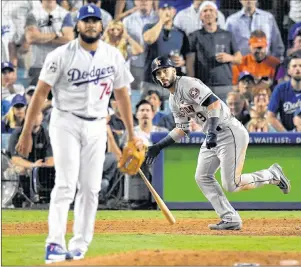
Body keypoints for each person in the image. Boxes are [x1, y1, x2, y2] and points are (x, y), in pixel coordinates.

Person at [15, 4, 142, 264]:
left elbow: (123, 95)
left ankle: (80, 245)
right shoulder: (61, 55)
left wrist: (131, 134)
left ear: (102, 26)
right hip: (66, 122)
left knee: (91, 188)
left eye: (95, 21)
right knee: (65, 184)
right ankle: (54, 245)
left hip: (97, 124)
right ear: (78, 25)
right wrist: (26, 133)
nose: (91, 25)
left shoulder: (113, 55)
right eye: (86, 21)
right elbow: (40, 94)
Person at [146, 56, 291, 231]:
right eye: (158, 73)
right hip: (212, 134)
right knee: (202, 177)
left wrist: (212, 131)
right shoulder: (172, 99)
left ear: (174, 71)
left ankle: (271, 175)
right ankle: (230, 218)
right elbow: (182, 129)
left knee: (232, 184)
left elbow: (213, 103)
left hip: (228, 131)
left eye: (165, 70)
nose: (162, 75)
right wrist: (158, 146)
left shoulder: (187, 84)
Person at [186, 1, 242, 101]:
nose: (208, 13)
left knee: (224, 115)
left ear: (216, 14)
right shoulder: (194, 36)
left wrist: (229, 57)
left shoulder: (228, 35)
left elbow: (239, 59)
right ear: (200, 16)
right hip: (203, 85)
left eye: (211, 10)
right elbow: (190, 62)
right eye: (205, 11)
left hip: (224, 84)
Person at [267, 52, 301, 132]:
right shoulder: (280, 89)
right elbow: (270, 116)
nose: (298, 69)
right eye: (294, 66)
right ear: (288, 71)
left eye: (300, 66)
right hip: (287, 135)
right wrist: (286, 136)